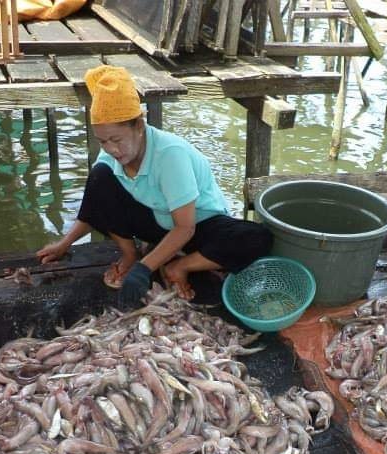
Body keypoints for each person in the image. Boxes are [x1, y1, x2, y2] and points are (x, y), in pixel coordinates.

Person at [36, 66, 272, 308]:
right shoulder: (110, 158)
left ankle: (180, 264)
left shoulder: (170, 154)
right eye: (103, 141)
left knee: (257, 238)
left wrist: (144, 269)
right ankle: (131, 254)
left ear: (138, 126)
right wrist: (64, 244)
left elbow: (185, 227)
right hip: (156, 221)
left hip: (198, 225)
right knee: (99, 177)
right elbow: (94, 206)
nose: (111, 149)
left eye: (117, 140)